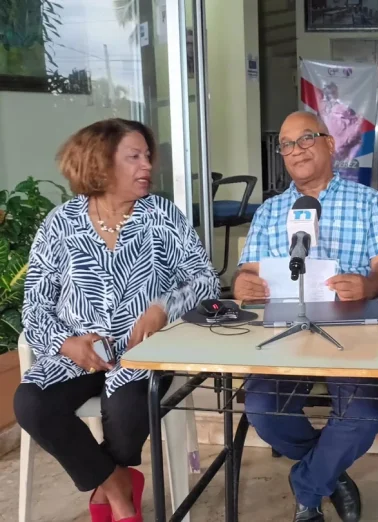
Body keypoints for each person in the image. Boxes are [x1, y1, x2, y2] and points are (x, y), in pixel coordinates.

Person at [14, 119, 219, 522]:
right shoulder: (60, 224)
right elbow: (35, 305)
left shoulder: (161, 215)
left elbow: (205, 279)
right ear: (100, 163)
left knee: (127, 411)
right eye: (134, 157)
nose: (147, 166)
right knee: (32, 404)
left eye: (147, 156)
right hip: (75, 355)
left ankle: (112, 489)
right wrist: (66, 343)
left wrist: (163, 307)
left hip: (141, 355)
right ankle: (119, 487)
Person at [233, 111, 378, 522]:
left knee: (363, 416)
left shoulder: (368, 201)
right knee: (262, 409)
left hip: (354, 327)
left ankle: (308, 485)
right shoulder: (270, 210)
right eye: (286, 144)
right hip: (284, 329)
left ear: (329, 143)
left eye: (306, 138)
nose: (296, 150)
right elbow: (247, 273)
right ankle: (329, 472)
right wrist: (243, 285)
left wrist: (368, 285)